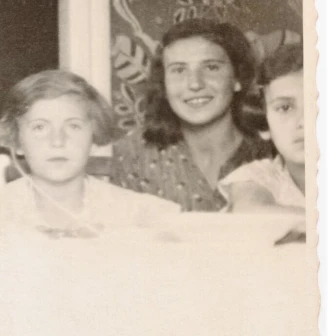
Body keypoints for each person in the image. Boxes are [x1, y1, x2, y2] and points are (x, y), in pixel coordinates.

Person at [0, 70, 180, 239]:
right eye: (40, 127)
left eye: (73, 126)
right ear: (17, 141)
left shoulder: (135, 212)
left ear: (94, 138)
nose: (57, 141)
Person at [110, 19, 272, 211]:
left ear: (237, 78)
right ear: (164, 84)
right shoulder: (134, 154)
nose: (194, 84)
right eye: (178, 70)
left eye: (211, 67)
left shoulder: (270, 150)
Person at [220, 43, 305, 214]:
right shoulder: (259, 177)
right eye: (285, 108)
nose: (304, 121)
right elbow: (252, 212)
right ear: (264, 125)